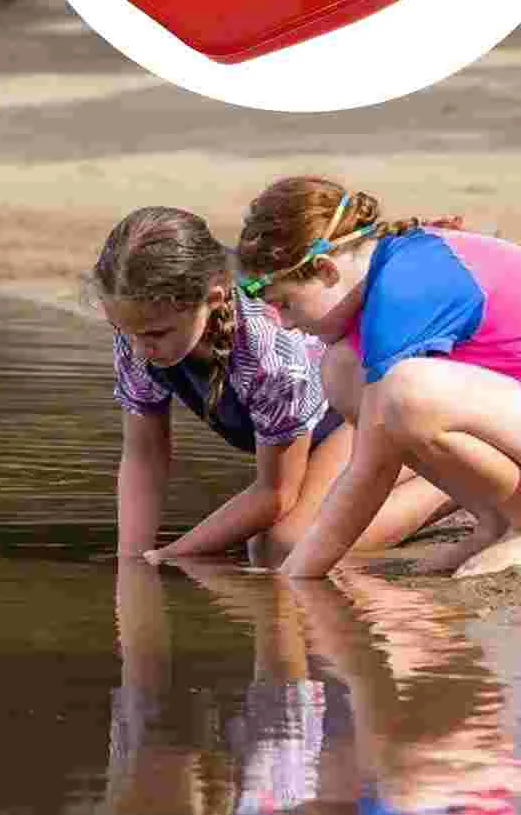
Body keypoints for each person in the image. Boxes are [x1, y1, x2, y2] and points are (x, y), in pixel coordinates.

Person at [233, 177, 521, 579]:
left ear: (326, 271)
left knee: (405, 393)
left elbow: (372, 469)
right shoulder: (392, 267)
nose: (283, 324)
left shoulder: (402, 289)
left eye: (285, 303)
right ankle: (496, 520)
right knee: (343, 370)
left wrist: (296, 577)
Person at [88, 206, 451, 564]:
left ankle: (453, 485)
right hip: (316, 437)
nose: (139, 349)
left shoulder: (269, 349)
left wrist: (171, 555)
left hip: (370, 406)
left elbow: (276, 494)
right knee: (266, 543)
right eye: (126, 332)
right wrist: (131, 560)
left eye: (155, 334)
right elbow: (144, 453)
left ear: (213, 299)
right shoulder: (141, 332)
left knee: (285, 546)